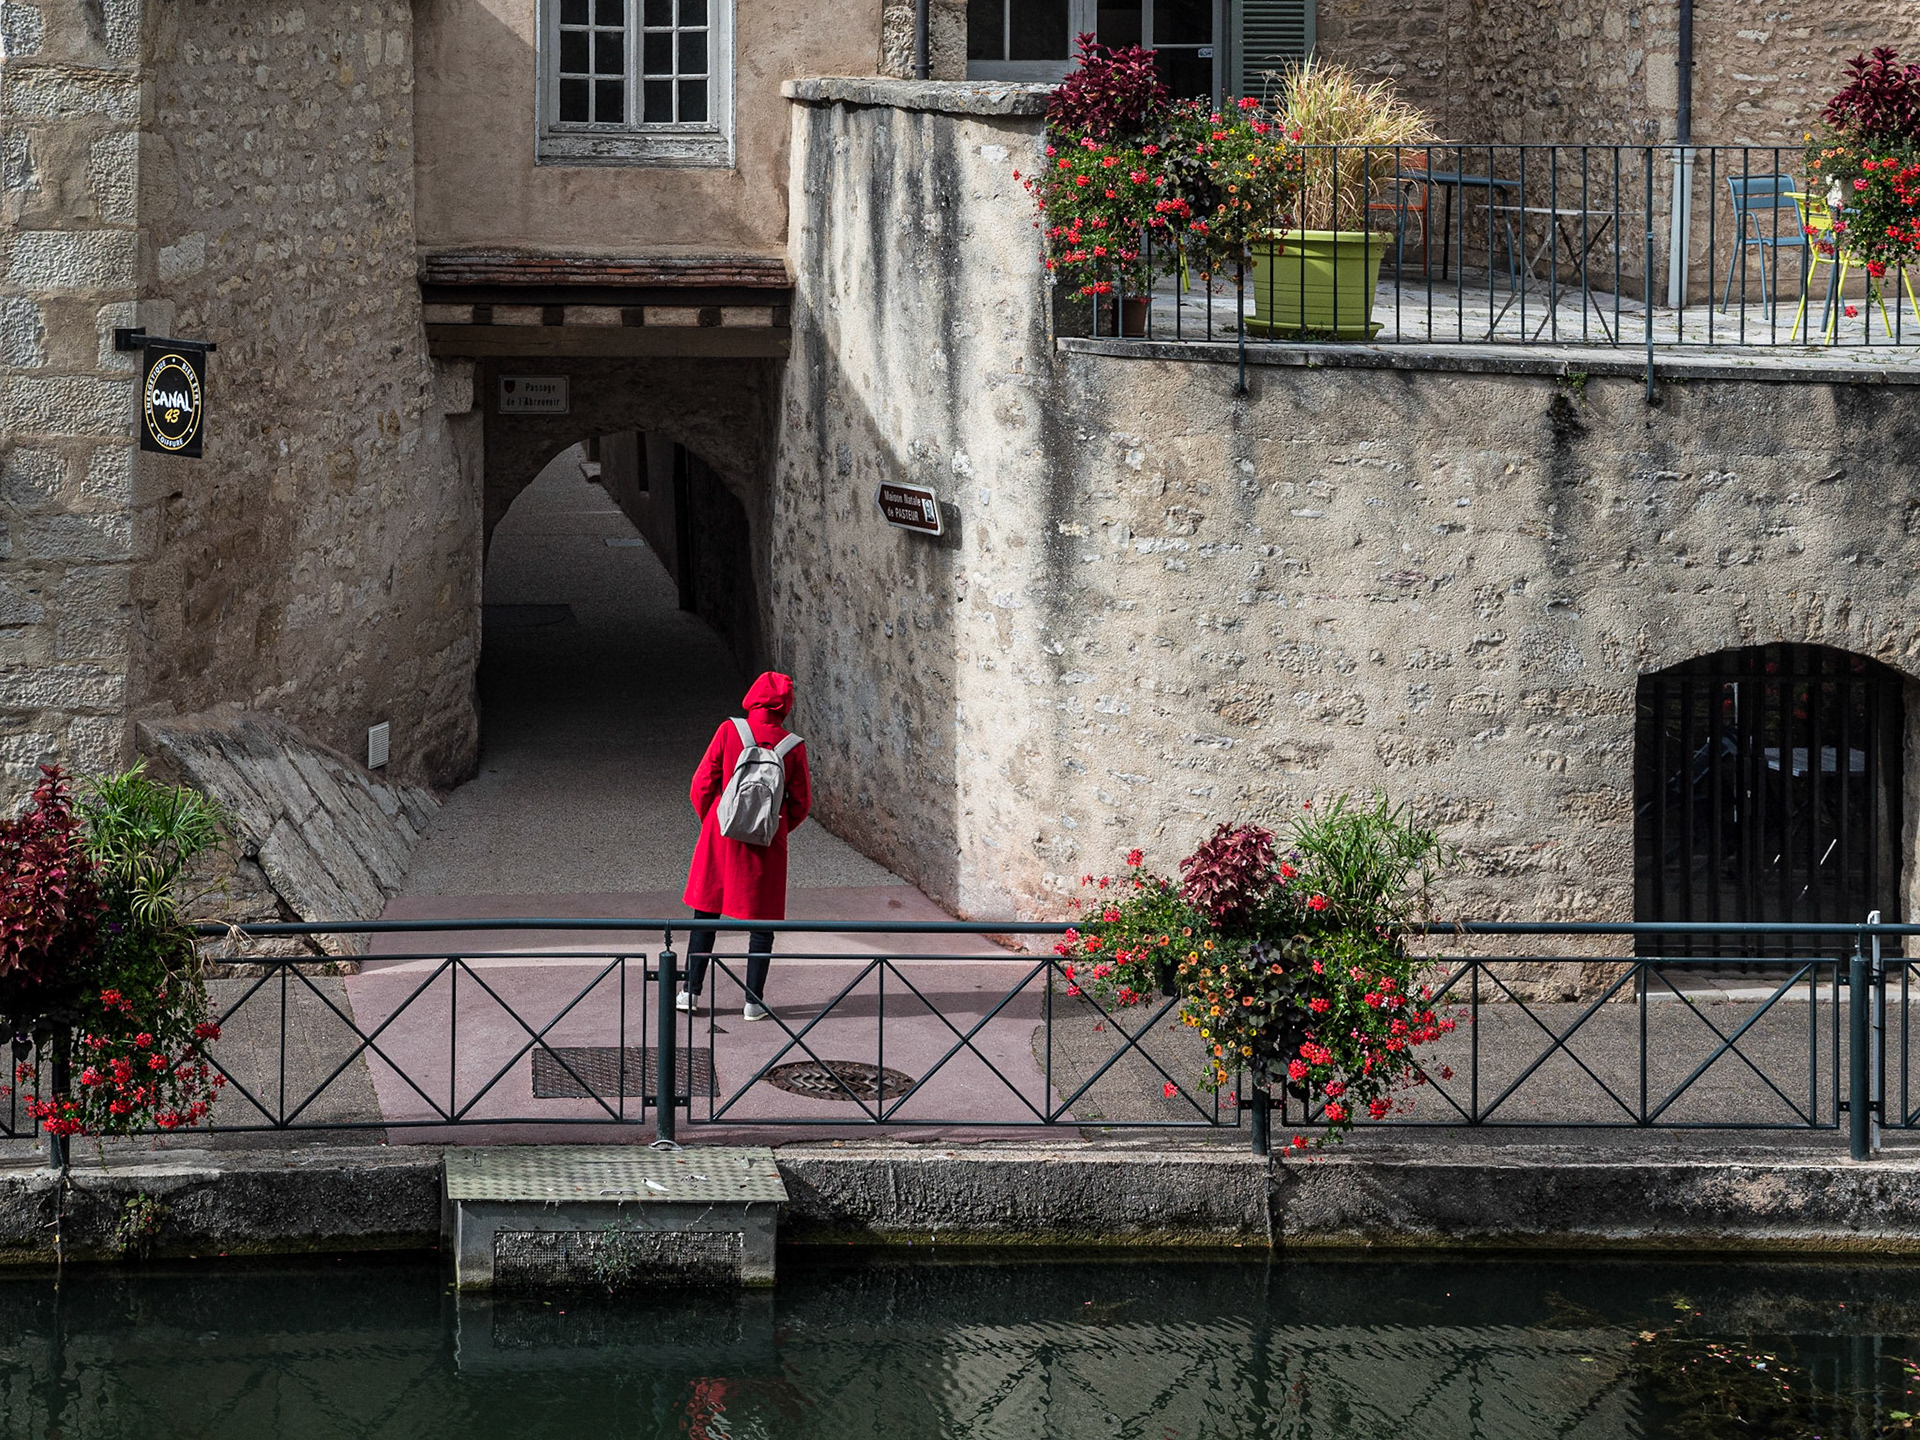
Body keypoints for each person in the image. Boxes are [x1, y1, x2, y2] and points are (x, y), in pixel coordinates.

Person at [678, 671, 811, 1019]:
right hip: (766, 842)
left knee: (705, 916)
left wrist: (715, 820)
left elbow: (702, 783)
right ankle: (753, 1001)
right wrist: (774, 829)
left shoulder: (730, 731)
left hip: (720, 836)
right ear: (786, 705)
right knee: (762, 925)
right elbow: (801, 803)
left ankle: (689, 992)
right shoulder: (793, 746)